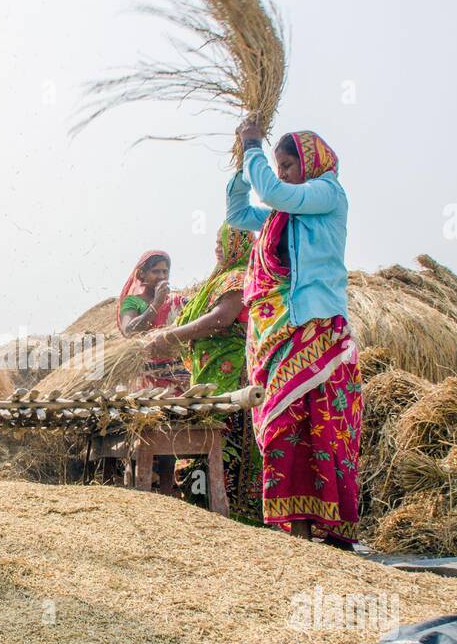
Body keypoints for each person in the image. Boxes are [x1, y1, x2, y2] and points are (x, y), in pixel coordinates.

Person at [227, 125, 362, 548]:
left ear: (310, 163)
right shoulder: (282, 212)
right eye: (278, 166)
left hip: (318, 327)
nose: (282, 173)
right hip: (279, 331)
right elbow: (237, 213)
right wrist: (241, 165)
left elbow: (273, 194)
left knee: (323, 425)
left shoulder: (327, 193)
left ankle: (335, 531)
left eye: (288, 165)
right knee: (285, 423)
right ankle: (299, 530)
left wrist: (254, 148)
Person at [145, 225, 264, 525]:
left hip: (233, 376)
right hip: (209, 377)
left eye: (222, 241)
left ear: (237, 243)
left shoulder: (239, 277)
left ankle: (235, 515)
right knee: (204, 442)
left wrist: (172, 336)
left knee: (229, 441)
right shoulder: (218, 280)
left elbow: (220, 319)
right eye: (215, 242)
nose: (217, 248)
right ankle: (205, 510)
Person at [118, 251, 188, 494]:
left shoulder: (177, 302)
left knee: (170, 428)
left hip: (173, 376)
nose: (161, 276)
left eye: (165, 271)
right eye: (155, 271)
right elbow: (130, 331)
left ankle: (167, 491)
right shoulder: (133, 302)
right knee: (147, 430)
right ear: (142, 275)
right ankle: (142, 488)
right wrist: (156, 304)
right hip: (145, 379)